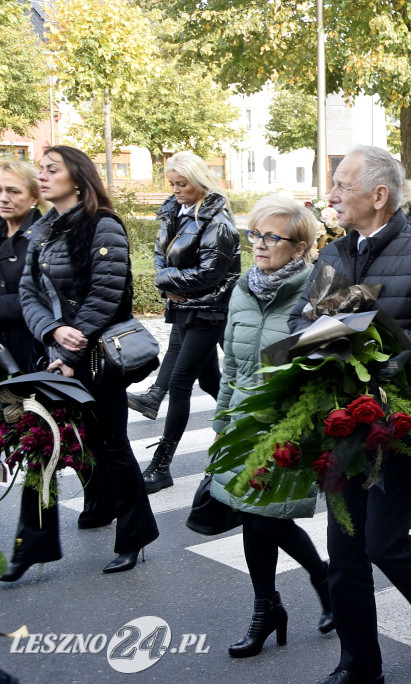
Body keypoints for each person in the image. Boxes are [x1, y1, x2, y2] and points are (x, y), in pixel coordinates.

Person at [288, 146, 411, 684]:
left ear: (379, 195)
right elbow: (307, 320)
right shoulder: (333, 255)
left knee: (383, 542)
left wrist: (368, 346)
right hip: (342, 421)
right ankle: (359, 666)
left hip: (402, 421)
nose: (331, 195)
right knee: (344, 552)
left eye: (342, 185)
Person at [11, 145, 159, 577]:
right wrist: (52, 333)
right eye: (40, 169)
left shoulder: (102, 224)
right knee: (44, 446)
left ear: (77, 177)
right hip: (57, 352)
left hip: (95, 358)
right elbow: (28, 293)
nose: (42, 176)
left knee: (111, 445)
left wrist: (71, 351)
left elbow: (106, 295)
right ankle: (32, 547)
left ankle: (134, 535)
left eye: (51, 169)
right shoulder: (43, 229)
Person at [209, 196, 332, 658]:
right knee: (253, 517)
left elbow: (330, 362)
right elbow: (231, 365)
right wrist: (222, 419)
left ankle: (293, 597)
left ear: (300, 246)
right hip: (243, 420)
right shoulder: (243, 288)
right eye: (254, 235)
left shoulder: (319, 290)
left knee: (266, 516)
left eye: (271, 237)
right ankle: (281, 602)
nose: (259, 245)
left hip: (290, 422)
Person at [128, 152, 240, 495]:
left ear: (200, 181)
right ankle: (244, 427)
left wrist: (169, 280)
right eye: (172, 183)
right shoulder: (173, 211)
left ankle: (161, 467)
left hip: (209, 309)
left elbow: (211, 272)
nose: (176, 189)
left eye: (182, 183)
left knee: (179, 384)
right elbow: (160, 254)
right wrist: (168, 281)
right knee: (210, 382)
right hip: (186, 307)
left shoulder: (217, 220)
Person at [0, 160, 48, 374]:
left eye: (13, 191)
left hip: (31, 352)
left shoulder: (44, 237)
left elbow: (45, 296)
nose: (3, 198)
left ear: (34, 196)